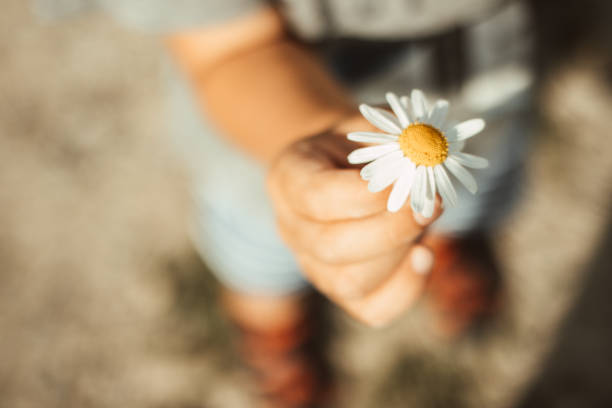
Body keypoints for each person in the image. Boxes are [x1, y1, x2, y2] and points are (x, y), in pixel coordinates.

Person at [36, 0, 534, 406]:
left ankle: (439, 249)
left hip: (486, 98)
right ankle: (274, 331)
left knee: (456, 205)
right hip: (267, 144)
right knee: (262, 259)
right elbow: (228, 49)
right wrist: (316, 139)